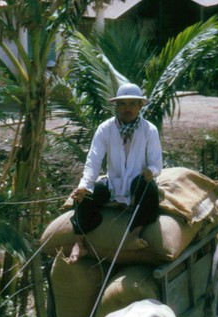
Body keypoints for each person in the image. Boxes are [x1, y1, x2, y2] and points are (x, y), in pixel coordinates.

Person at [67, 83, 162, 264]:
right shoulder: (105, 128)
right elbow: (93, 160)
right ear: (116, 106)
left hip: (138, 183)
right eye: (123, 104)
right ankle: (79, 243)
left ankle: (134, 233)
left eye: (133, 104)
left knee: (147, 189)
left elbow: (156, 163)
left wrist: (151, 171)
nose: (128, 109)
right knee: (83, 197)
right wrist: (84, 185)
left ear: (140, 106)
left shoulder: (149, 130)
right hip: (113, 183)